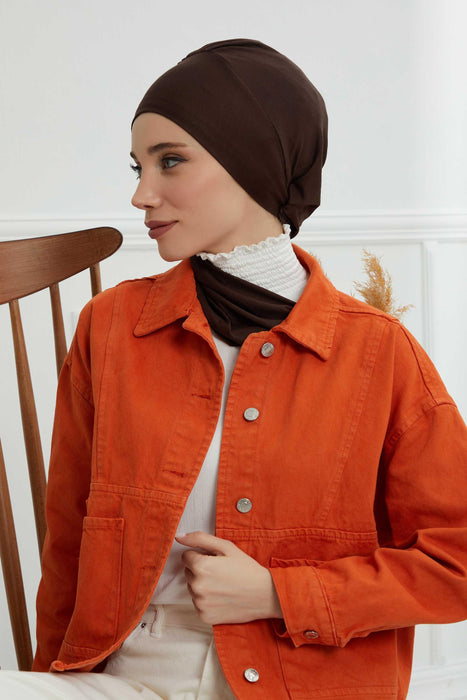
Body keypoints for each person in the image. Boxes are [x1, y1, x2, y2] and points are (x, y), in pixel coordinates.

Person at [1, 38, 466, 700]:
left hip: (298, 683)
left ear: (253, 160)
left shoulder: (377, 353)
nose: (141, 194)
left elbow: (456, 561)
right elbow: (68, 546)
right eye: (137, 166)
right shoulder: (111, 327)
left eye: (170, 162)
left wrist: (281, 594)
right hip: (126, 677)